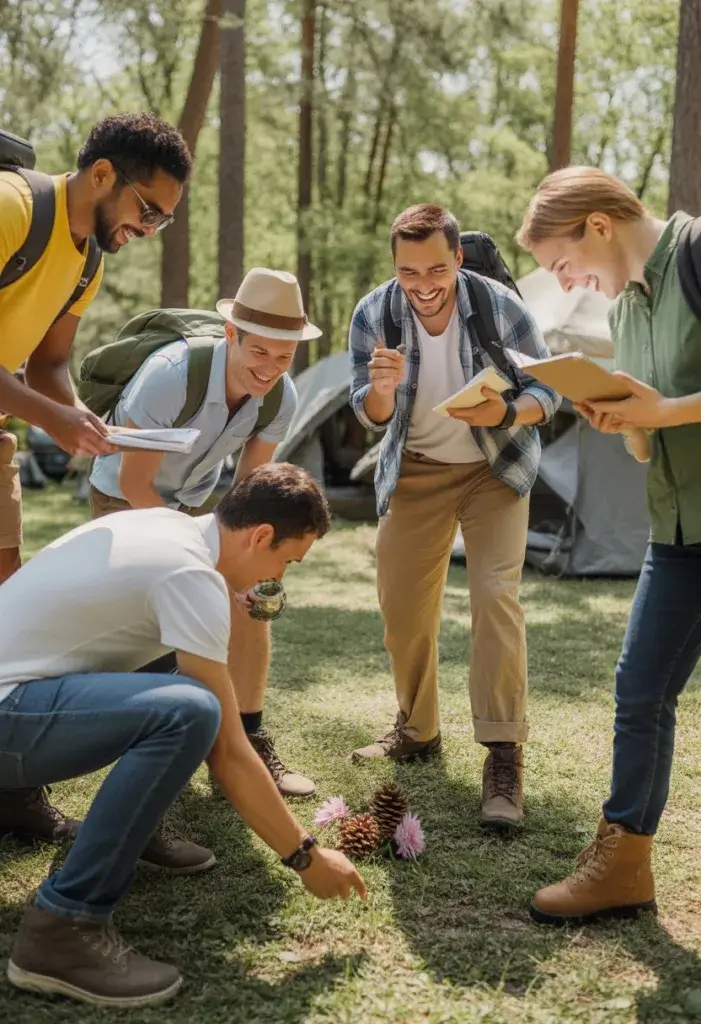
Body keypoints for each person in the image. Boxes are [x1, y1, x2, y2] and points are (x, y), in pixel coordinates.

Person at [0, 463, 367, 1009]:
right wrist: (305, 857)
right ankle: (63, 929)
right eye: (287, 561)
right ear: (261, 536)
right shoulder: (189, 575)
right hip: (8, 716)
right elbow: (226, 750)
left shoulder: (166, 528)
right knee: (191, 711)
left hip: (16, 697)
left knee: (188, 668)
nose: (280, 579)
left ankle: (128, 825)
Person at [0, 112, 192, 844]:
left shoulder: (87, 257)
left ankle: (11, 793)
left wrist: (81, 417)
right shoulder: (14, 206)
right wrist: (49, 419)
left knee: (8, 625)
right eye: (148, 210)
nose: (149, 229)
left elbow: (48, 361)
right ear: (103, 175)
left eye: (165, 222)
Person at [517, 165, 701, 923]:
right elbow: (648, 435)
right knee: (638, 690)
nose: (569, 283)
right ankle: (622, 865)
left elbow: (672, 410)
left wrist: (661, 412)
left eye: (563, 265)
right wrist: (622, 420)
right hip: (678, 530)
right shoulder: (623, 312)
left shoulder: (696, 254)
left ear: (597, 224)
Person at [348, 204, 560, 828]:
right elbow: (368, 413)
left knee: (495, 596)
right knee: (402, 605)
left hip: (495, 466)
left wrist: (504, 413)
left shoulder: (498, 306)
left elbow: (549, 393)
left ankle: (502, 754)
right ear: (395, 267)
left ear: (458, 258)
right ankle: (417, 730)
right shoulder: (374, 313)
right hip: (415, 468)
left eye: (436, 268)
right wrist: (381, 391)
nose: (423, 285)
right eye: (409, 271)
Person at [87, 268, 319, 800]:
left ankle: (248, 741)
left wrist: (246, 568)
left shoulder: (280, 397)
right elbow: (134, 481)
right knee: (151, 620)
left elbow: (251, 491)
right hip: (126, 499)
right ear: (232, 334)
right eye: (259, 352)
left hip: (196, 498)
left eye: (283, 357)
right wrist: (199, 561)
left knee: (251, 601)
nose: (270, 369)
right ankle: (146, 756)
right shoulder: (170, 374)